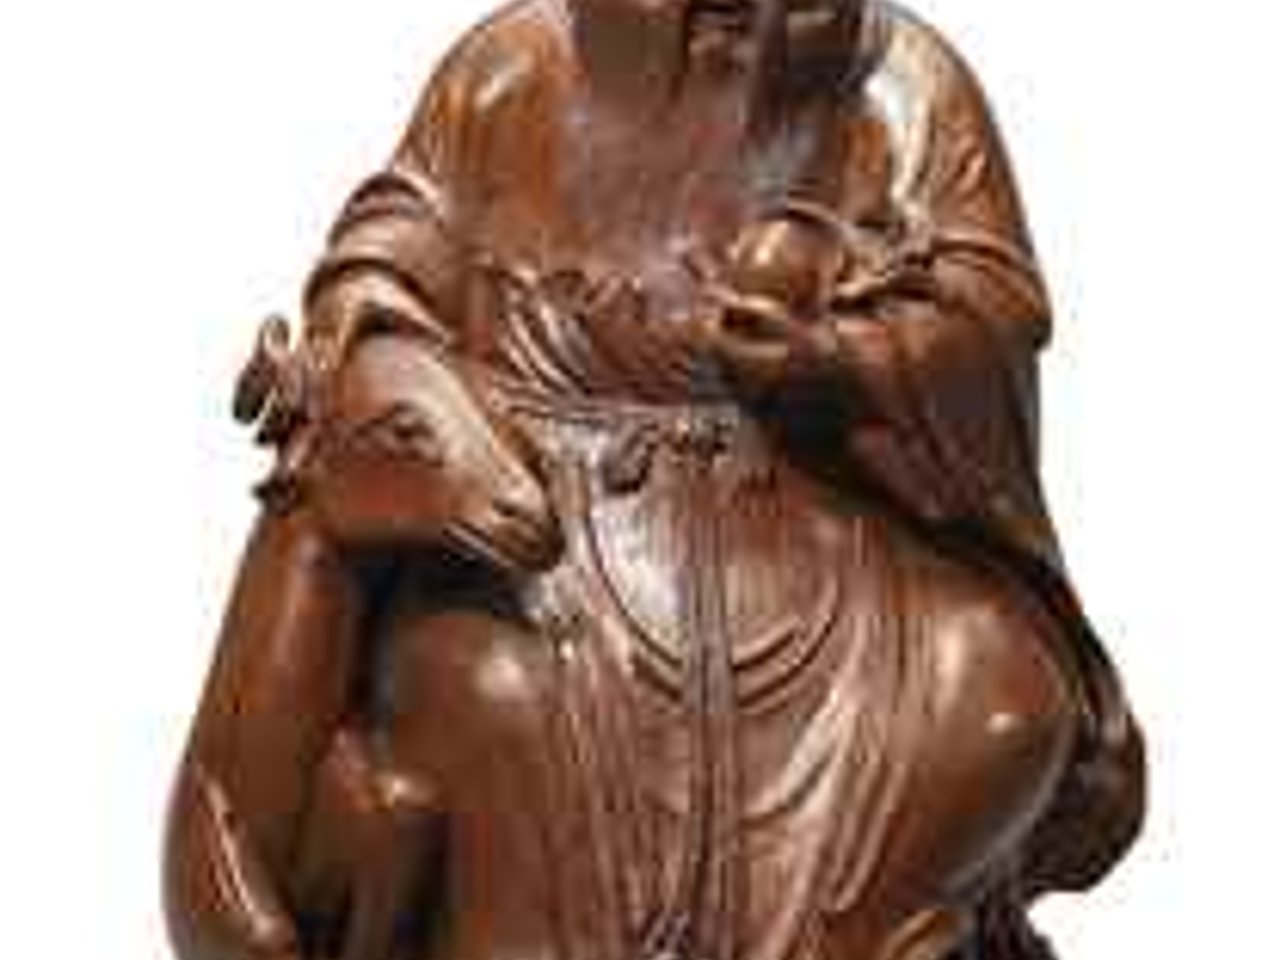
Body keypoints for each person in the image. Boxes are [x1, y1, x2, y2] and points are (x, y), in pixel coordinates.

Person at [166, 3, 1146, 960]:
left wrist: (834, 357)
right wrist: (366, 314)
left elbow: (987, 311)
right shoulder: (509, 68)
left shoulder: (904, 85)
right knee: (483, 688)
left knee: (995, 692)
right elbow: (398, 239)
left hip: (816, 518)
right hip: (552, 528)